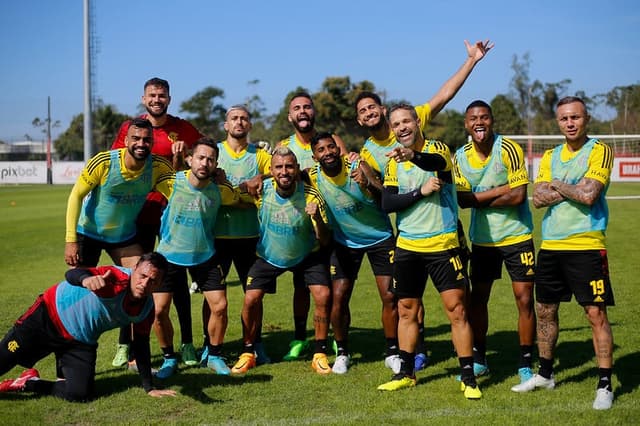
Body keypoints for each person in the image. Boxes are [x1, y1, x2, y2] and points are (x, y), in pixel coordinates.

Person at [354, 39, 493, 372]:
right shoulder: (370, 151)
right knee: (408, 303)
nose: (370, 113)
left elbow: (445, 94)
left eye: (373, 107)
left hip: (444, 231)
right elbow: (383, 196)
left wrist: (471, 61)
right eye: (363, 112)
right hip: (409, 234)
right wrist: (364, 178)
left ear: (386, 111)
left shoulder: (414, 126)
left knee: (459, 300)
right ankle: (415, 354)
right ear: (360, 120)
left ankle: (476, 354)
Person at [511, 96, 615, 410]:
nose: (569, 123)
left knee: (595, 314)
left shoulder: (599, 150)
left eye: (575, 118)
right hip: (551, 246)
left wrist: (557, 185)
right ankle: (545, 374)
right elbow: (537, 199)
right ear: (558, 122)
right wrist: (568, 187)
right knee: (545, 311)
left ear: (586, 119)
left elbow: (588, 194)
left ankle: (605, 384)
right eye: (564, 119)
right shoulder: (550, 155)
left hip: (586, 245)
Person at [376, 104, 480, 400]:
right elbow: (388, 204)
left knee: (457, 311)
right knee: (406, 311)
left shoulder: (439, 149)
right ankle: (406, 374)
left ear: (417, 122)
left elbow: (435, 162)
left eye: (406, 121)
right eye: (396, 124)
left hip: (442, 245)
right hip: (408, 246)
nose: (401, 128)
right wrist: (418, 193)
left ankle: (468, 377)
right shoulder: (393, 161)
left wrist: (414, 156)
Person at [110, 77, 203, 368]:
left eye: (162, 95)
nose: (157, 100)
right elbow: (116, 161)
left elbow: (201, 160)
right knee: (133, 278)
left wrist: (184, 159)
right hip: (136, 215)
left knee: (175, 279)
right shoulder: (131, 128)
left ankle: (186, 343)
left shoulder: (183, 129)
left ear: (169, 99)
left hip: (171, 217)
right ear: (143, 98)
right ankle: (125, 344)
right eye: (152, 95)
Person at [0, 253, 177, 402]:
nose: (145, 284)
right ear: (135, 268)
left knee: (80, 394)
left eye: (153, 281)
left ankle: (29, 382)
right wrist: (86, 280)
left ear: (160, 284)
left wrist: (149, 387)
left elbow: (141, 345)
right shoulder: (115, 277)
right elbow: (72, 274)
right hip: (47, 316)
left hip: (79, 340)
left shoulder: (145, 310)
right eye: (143, 276)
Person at [453, 100, 536, 384]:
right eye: (473, 118)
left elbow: (519, 197)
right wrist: (502, 190)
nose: (479, 122)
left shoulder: (509, 149)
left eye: (484, 117)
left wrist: (481, 199)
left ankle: (525, 362)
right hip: (483, 240)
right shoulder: (460, 157)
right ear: (466, 124)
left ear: (492, 121)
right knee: (478, 299)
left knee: (524, 299)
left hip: (517, 235)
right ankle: (479, 360)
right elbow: (462, 200)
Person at [230, 147, 333, 375]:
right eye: (279, 167)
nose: (284, 171)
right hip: (269, 256)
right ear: (271, 170)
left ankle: (319, 353)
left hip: (306, 254)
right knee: (250, 299)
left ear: (296, 169)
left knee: (323, 295)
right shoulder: (261, 190)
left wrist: (316, 217)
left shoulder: (310, 195)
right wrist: (257, 179)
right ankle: (248, 352)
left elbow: (325, 240)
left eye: (289, 166)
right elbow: (234, 193)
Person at [152, 138, 248, 378]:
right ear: (190, 159)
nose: (205, 163)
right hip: (168, 257)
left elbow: (242, 198)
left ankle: (214, 355)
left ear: (216, 164)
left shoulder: (221, 190)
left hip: (205, 256)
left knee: (221, 306)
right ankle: (168, 359)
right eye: (201, 157)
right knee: (158, 311)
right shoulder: (171, 183)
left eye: (211, 159)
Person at [307, 132, 396, 374]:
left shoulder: (358, 164)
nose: (327, 153)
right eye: (321, 150)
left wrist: (367, 184)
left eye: (330, 147)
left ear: (338, 148)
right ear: (315, 156)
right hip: (345, 242)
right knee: (339, 297)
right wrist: (256, 180)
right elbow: (284, 173)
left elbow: (384, 196)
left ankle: (392, 352)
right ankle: (343, 353)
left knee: (389, 296)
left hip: (380, 238)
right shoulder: (313, 175)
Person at [277, 91, 347, 361]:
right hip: (304, 230)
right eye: (297, 108)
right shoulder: (284, 144)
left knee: (333, 286)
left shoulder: (331, 141)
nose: (303, 111)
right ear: (290, 116)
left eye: (307, 107)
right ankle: (299, 337)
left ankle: (330, 335)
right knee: (300, 287)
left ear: (314, 111)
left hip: (335, 226)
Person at [205, 105, 272, 366]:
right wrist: (240, 198)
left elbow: (279, 171)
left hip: (251, 237)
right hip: (218, 237)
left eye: (244, 118)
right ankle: (207, 344)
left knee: (254, 295)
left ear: (250, 125)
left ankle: (256, 344)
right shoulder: (216, 153)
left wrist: (262, 175)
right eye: (234, 118)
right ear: (225, 125)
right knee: (213, 296)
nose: (239, 122)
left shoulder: (260, 155)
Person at [64, 117, 174, 271]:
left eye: (146, 140)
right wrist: (71, 240)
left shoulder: (159, 167)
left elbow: (176, 197)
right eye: (136, 138)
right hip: (89, 233)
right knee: (78, 286)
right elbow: (76, 196)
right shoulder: (103, 162)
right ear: (126, 141)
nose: (141, 144)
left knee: (142, 275)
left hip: (123, 237)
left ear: (152, 143)